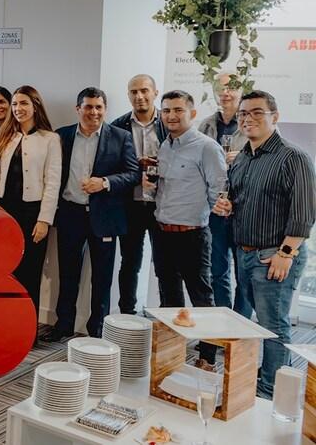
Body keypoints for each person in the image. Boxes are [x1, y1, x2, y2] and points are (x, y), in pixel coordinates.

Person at [213, 90, 315, 398]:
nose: (248, 118)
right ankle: (261, 378)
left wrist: (286, 253)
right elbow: (236, 199)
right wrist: (227, 207)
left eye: (257, 112)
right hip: (245, 254)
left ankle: (271, 391)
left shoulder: (292, 157)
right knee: (257, 323)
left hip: (275, 255)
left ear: (275, 117)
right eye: (244, 113)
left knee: (274, 327)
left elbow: (305, 212)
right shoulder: (244, 156)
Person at [43, 87, 139, 342]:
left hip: (105, 216)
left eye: (99, 107)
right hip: (70, 213)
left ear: (105, 110)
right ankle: (63, 325)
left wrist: (105, 182)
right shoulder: (61, 136)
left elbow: (133, 174)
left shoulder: (121, 137)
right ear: (78, 109)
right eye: (88, 107)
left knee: (102, 278)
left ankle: (97, 329)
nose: (94, 112)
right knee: (68, 274)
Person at [152, 89, 225, 368]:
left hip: (192, 235)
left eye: (178, 110)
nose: (171, 115)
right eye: (167, 110)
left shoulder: (207, 147)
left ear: (192, 114)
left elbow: (219, 193)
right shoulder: (164, 145)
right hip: (162, 232)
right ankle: (172, 352)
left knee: (202, 299)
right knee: (169, 297)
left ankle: (206, 356)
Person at [0, 86, 61, 315]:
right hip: (3, 212)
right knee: (4, 270)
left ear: (35, 105)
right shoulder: (3, 135)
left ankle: (27, 327)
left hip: (32, 213)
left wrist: (44, 220)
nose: (18, 108)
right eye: (15, 104)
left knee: (30, 271)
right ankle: (4, 322)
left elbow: (52, 183)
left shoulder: (50, 139)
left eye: (24, 103)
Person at [110, 74, 166, 316]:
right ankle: (126, 315)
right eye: (133, 92)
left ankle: (167, 317)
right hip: (130, 204)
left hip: (162, 205)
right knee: (130, 263)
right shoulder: (117, 125)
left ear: (155, 92)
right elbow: (111, 164)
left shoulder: (168, 123)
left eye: (144, 90)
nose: (139, 96)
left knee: (165, 265)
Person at [198, 72, 250, 317]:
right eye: (220, 87)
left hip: (244, 212)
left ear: (241, 90)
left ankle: (238, 332)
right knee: (217, 272)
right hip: (216, 210)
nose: (226, 92)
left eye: (231, 87)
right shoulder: (207, 124)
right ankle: (220, 324)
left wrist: (240, 158)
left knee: (244, 275)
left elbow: (269, 163)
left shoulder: (254, 123)